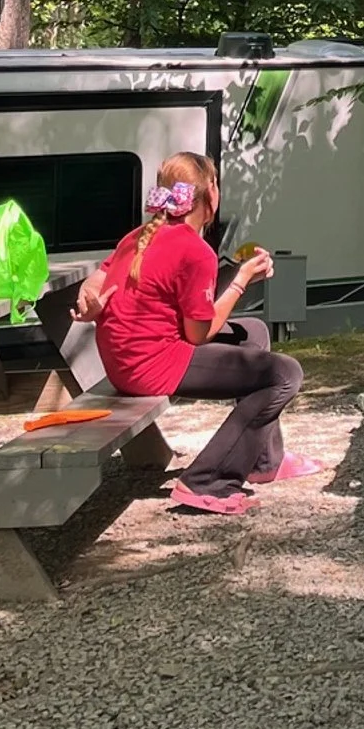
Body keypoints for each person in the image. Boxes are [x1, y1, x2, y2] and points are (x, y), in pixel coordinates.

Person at [81, 151, 306, 515]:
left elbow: (100, 276)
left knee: (253, 333)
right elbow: (198, 335)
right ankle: (207, 480)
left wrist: (87, 297)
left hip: (125, 362)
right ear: (210, 193)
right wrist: (241, 280)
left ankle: (264, 462)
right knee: (284, 375)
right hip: (151, 367)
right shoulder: (195, 251)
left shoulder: (138, 236)